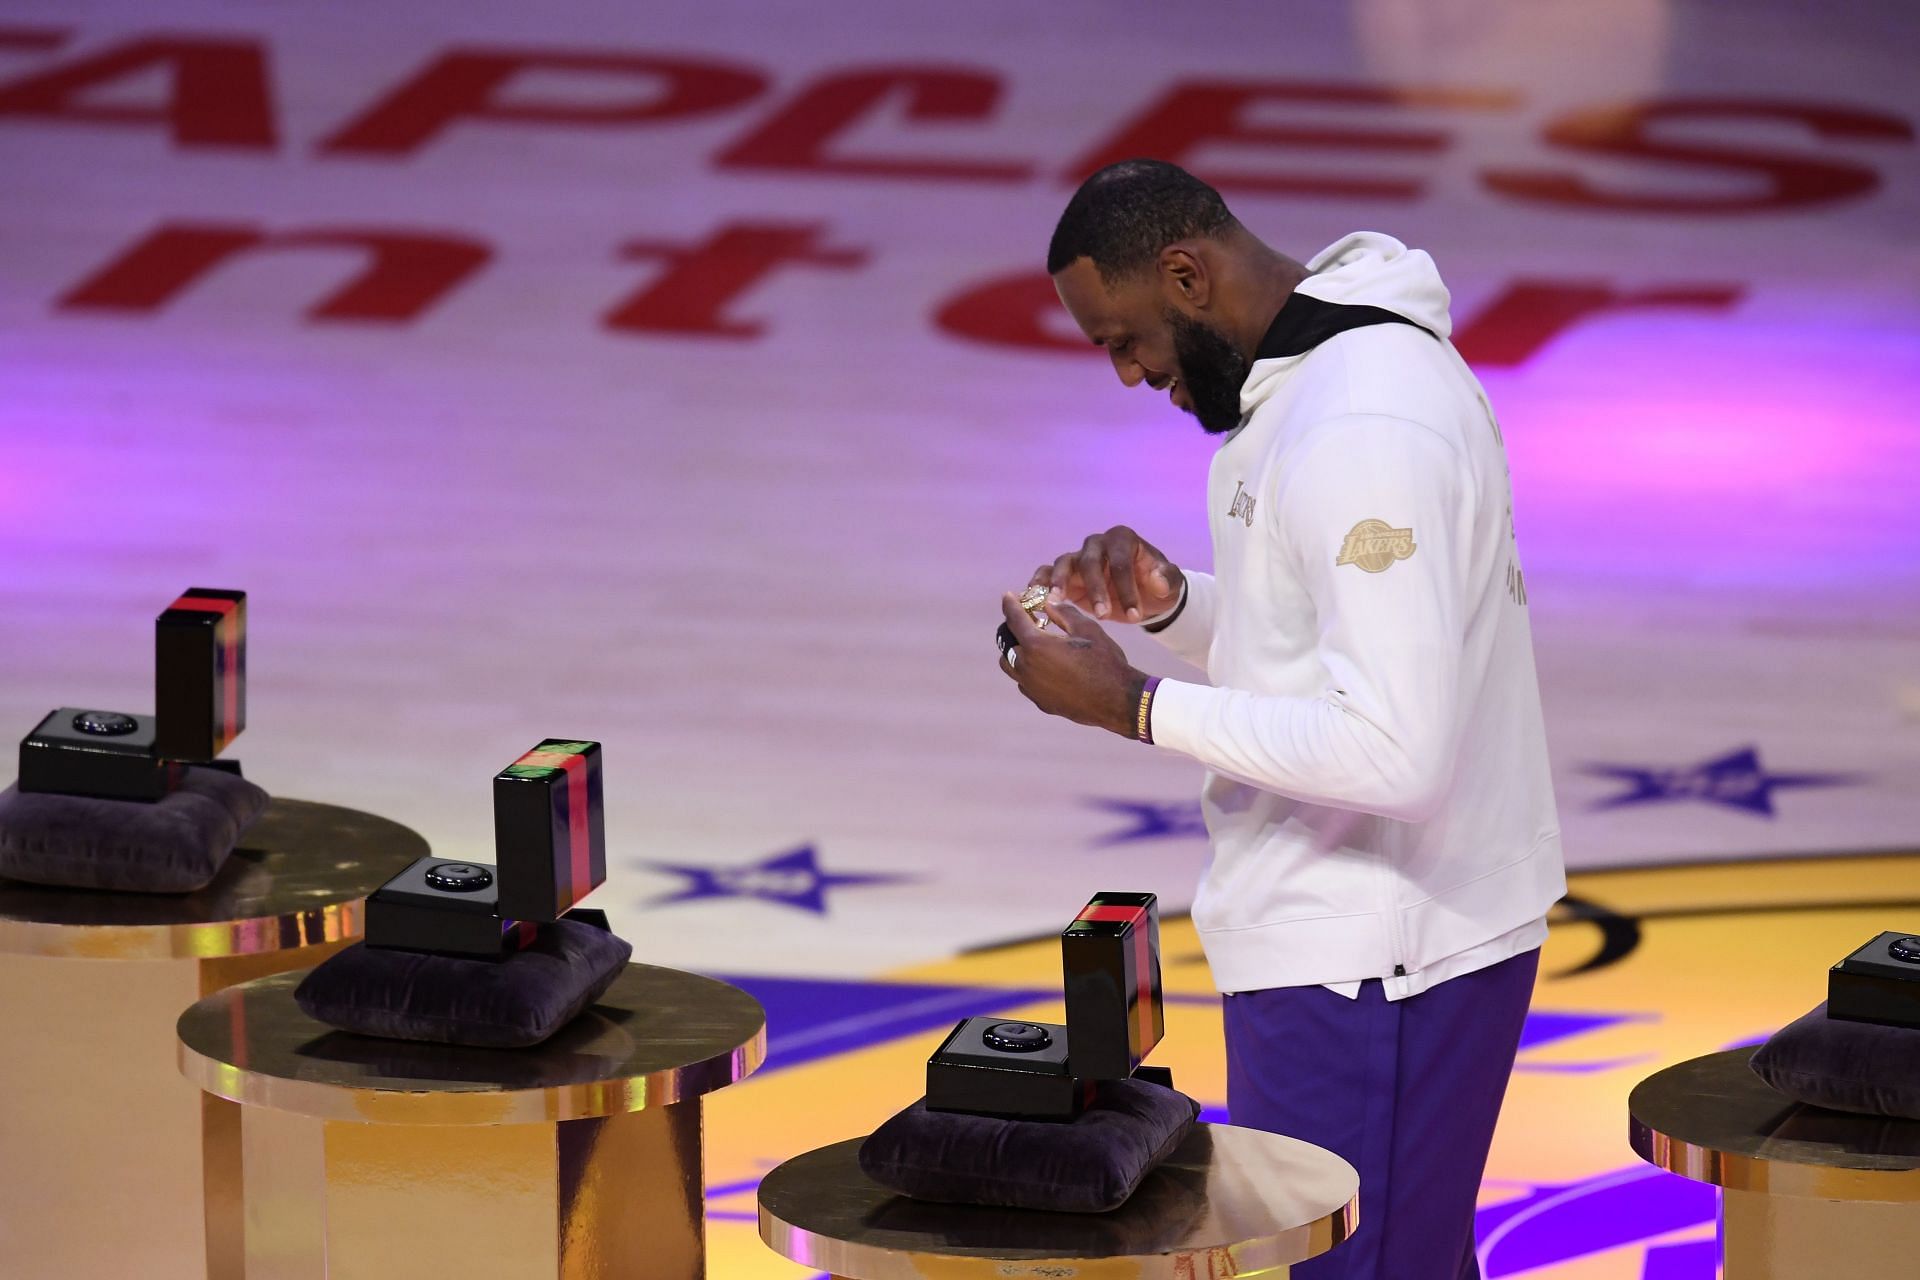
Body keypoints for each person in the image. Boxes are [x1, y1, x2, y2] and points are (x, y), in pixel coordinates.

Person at [997, 158, 1566, 1280]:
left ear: (1185, 275)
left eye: (1124, 337)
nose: (1126, 374)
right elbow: (1332, 653)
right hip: (1357, 944)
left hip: (1384, 961)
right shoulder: (1324, 371)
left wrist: (1136, 707)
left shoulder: (1364, 425)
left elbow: (1395, 750)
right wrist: (1173, 607)